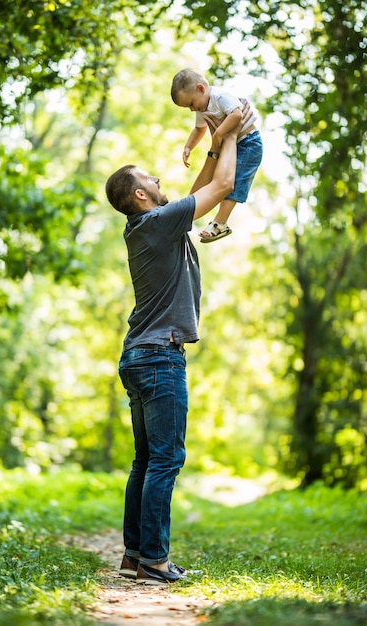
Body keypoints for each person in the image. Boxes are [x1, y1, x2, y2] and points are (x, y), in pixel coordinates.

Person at [105, 102, 251, 585]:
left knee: (145, 459)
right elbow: (223, 187)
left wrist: (214, 139)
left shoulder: (149, 225)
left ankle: (134, 554)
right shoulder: (157, 223)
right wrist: (231, 135)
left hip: (138, 355)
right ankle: (154, 560)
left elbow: (199, 190)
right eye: (156, 183)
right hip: (159, 357)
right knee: (165, 460)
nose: (164, 185)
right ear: (143, 195)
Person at [171, 68, 263, 243]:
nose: (192, 110)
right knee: (217, 179)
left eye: (190, 104)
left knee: (235, 182)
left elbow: (237, 114)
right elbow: (199, 129)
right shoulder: (202, 108)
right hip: (234, 144)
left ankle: (220, 223)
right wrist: (188, 146)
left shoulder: (220, 96)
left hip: (249, 143)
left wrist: (219, 134)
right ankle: (211, 218)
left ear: (201, 88)